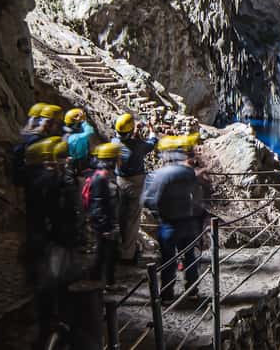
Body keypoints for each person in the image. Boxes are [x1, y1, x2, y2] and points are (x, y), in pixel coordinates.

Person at [22, 136, 78, 349]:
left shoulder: (34, 180)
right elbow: (61, 212)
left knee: (48, 282)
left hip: (44, 238)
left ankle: (50, 319)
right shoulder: (52, 182)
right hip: (55, 239)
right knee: (54, 280)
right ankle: (55, 324)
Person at [141, 135, 204, 301]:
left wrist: (160, 212)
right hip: (188, 222)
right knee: (190, 256)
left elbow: (149, 200)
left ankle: (168, 293)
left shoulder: (158, 175)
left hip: (168, 224)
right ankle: (192, 289)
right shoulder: (188, 173)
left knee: (168, 260)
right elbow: (197, 197)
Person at [111, 113, 157, 264]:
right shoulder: (137, 147)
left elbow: (128, 141)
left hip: (120, 181)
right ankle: (127, 255)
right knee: (132, 219)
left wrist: (134, 133)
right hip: (135, 183)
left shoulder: (114, 142)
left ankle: (123, 248)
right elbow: (152, 142)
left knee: (122, 215)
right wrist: (151, 129)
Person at [85, 142, 122, 286]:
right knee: (105, 254)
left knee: (105, 254)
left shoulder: (103, 176)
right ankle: (104, 284)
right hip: (103, 225)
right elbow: (98, 204)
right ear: (111, 160)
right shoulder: (101, 178)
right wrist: (106, 227)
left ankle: (103, 282)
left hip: (104, 223)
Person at [63, 108, 97, 175]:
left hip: (74, 161)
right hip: (79, 163)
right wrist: (84, 121)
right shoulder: (76, 137)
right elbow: (89, 132)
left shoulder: (66, 135)